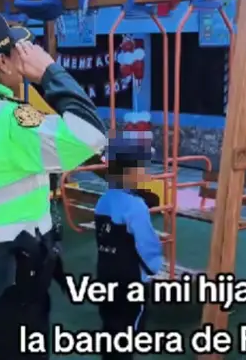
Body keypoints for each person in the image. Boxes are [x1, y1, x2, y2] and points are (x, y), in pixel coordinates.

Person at [0, 7, 108, 360]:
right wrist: (50, 72)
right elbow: (91, 136)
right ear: (3, 63)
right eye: (15, 54)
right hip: (5, 286)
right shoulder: (10, 120)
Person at [95, 152, 164, 360]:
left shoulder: (103, 200)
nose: (145, 172)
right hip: (130, 279)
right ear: (129, 173)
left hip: (105, 273)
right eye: (141, 168)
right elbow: (146, 245)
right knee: (130, 330)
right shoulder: (136, 206)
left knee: (110, 325)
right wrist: (153, 267)